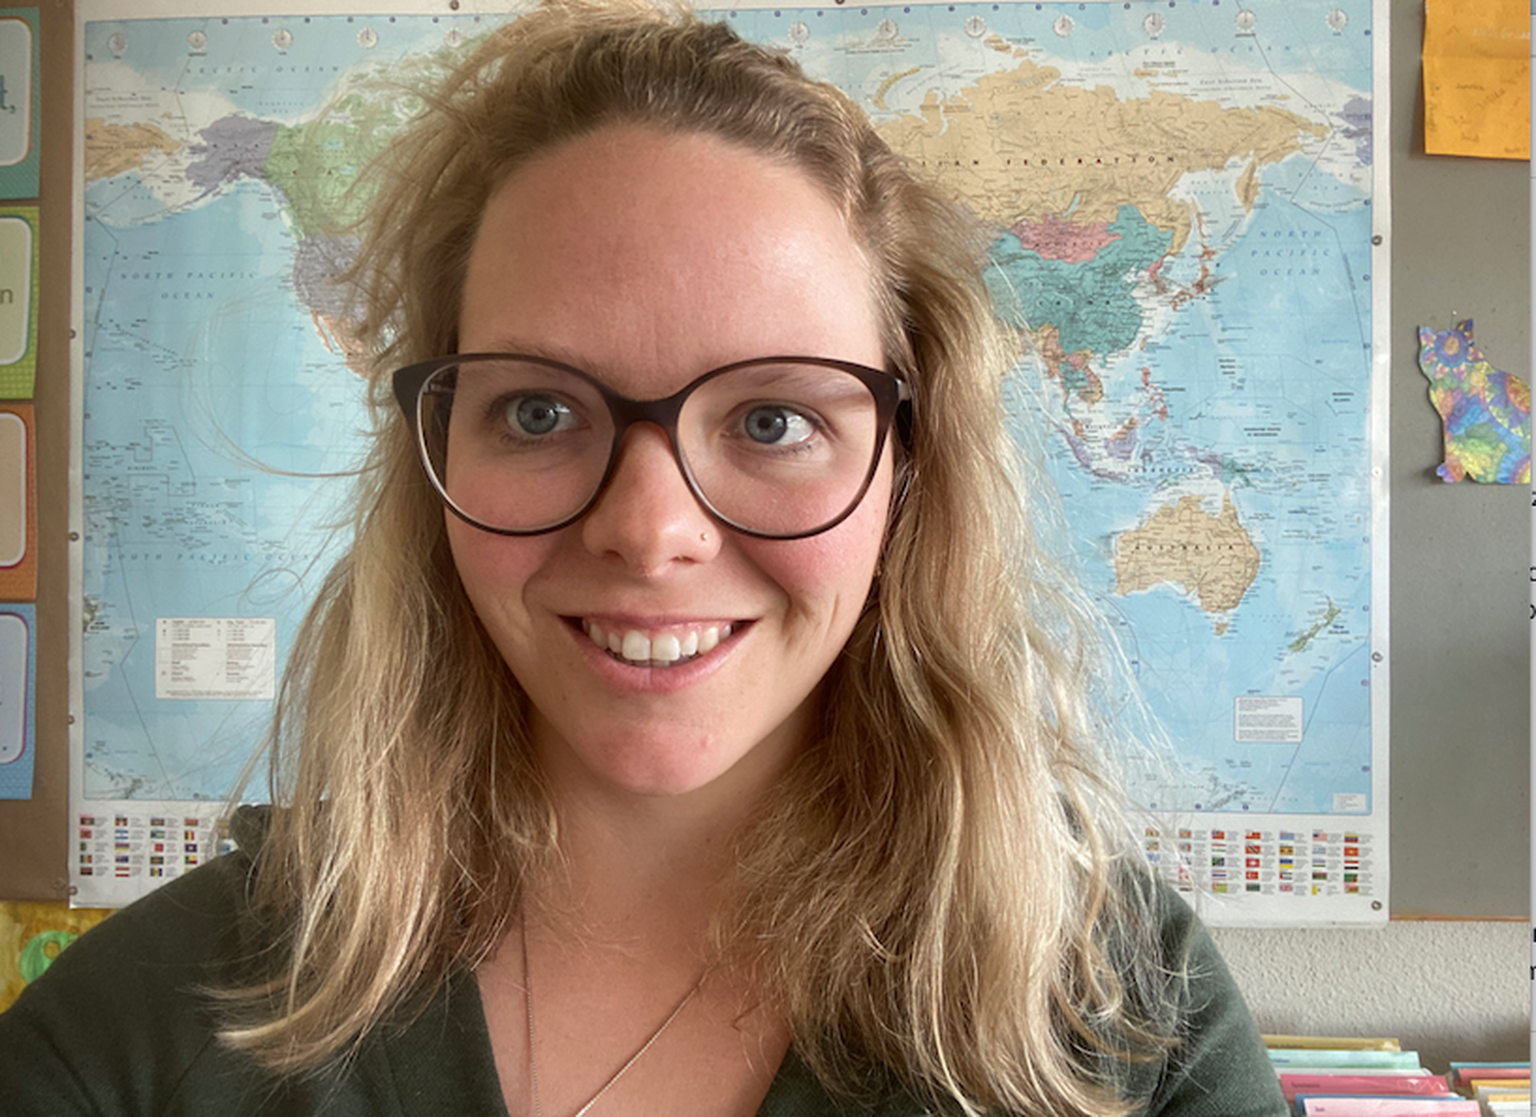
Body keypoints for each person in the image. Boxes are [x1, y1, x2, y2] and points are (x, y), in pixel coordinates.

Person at [0, 3, 1287, 1114]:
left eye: (774, 421)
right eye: (538, 410)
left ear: (911, 467)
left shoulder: (1130, 1021)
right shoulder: (133, 1038)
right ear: (435, 451)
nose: (650, 528)